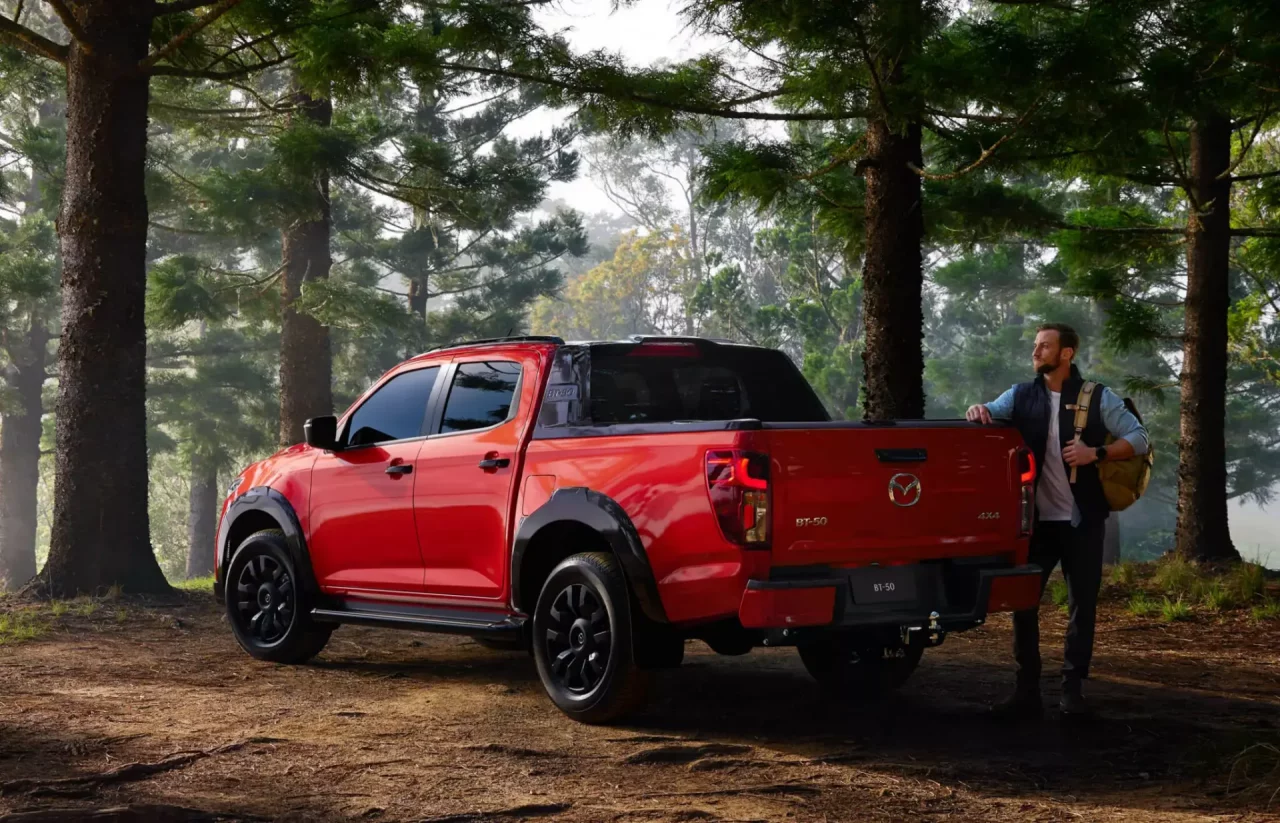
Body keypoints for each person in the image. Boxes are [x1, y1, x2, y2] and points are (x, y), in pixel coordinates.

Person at [966, 323, 1148, 718]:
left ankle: (1072, 691)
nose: (1036, 352)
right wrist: (979, 410)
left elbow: (1139, 438)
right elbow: (988, 413)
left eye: (1045, 346)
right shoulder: (1020, 395)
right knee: (1023, 602)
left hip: (1082, 521)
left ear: (1066, 354)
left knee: (1082, 605)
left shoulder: (1097, 397)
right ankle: (1027, 690)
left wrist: (1095, 454)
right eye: (1035, 345)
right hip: (1036, 525)